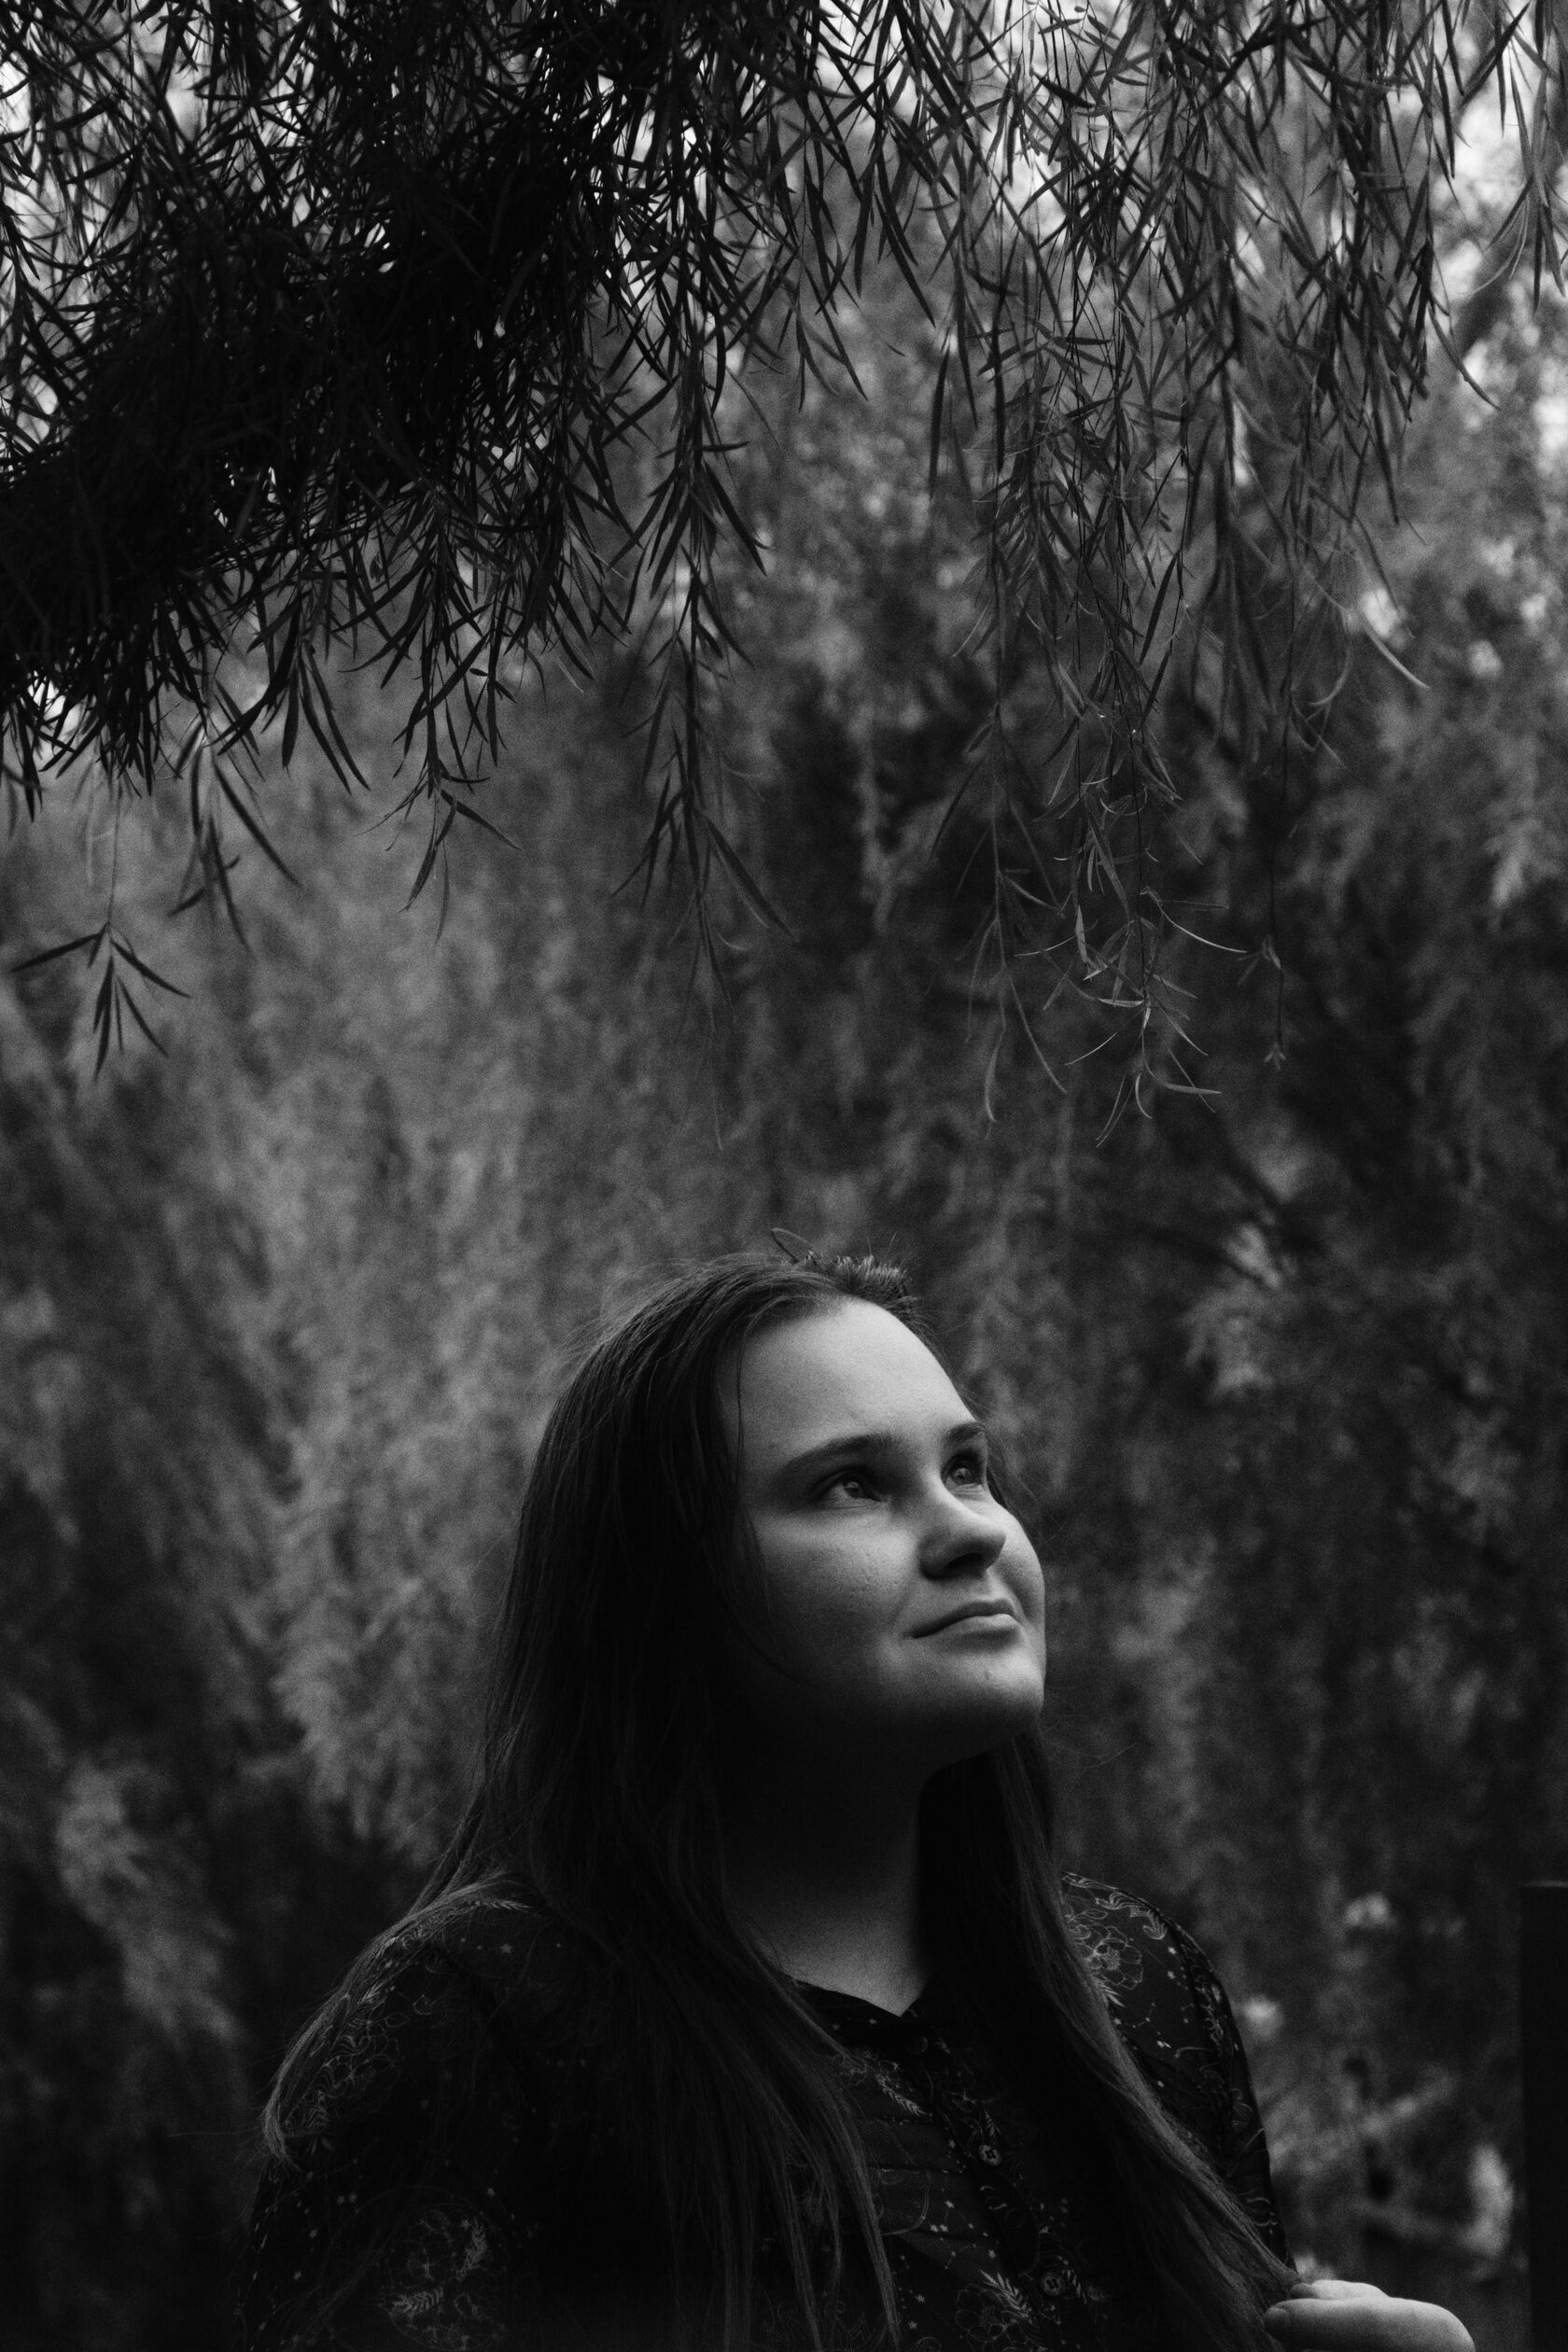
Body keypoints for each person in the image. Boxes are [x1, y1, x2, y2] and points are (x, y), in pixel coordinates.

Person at [240, 1253, 1475, 2352]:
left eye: (968, 1468)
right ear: (667, 1599)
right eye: (851, 1485)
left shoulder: (1137, 1991)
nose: (970, 1532)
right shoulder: (478, 2029)